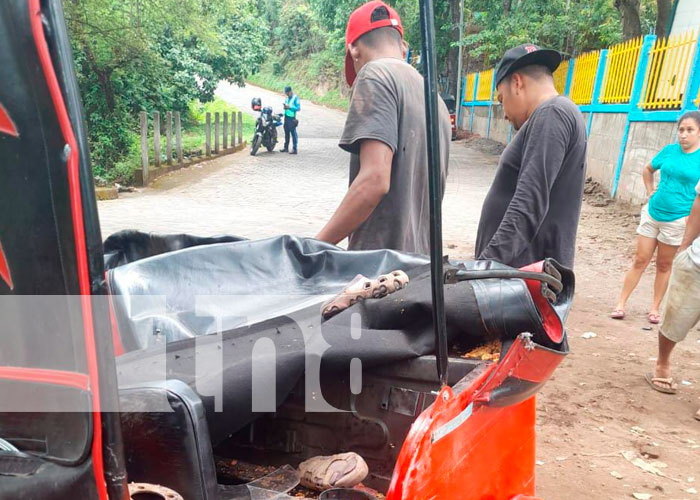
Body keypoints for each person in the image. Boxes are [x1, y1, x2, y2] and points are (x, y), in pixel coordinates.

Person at [315, 0, 451, 254]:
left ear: (354, 50)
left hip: (380, 270)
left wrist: (314, 246)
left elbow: (375, 180)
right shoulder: (435, 98)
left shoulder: (374, 76)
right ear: (403, 47)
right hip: (421, 266)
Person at [474, 44, 587, 269]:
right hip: (519, 275)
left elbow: (529, 203)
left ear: (517, 83)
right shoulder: (555, 113)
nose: (504, 113)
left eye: (501, 99)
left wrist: (485, 266)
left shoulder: (551, 114)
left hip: (522, 280)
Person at [611, 111, 700, 323]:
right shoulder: (669, 151)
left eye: (690, 130)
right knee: (640, 260)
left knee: (663, 265)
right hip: (653, 214)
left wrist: (690, 220)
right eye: (681, 130)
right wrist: (649, 191)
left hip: (678, 220)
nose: (683, 135)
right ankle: (621, 303)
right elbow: (648, 169)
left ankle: (654, 308)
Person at [644, 178, 700, 422]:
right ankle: (662, 363)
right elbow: (699, 203)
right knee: (675, 319)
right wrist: (686, 246)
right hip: (697, 264)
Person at [281, 85, 300, 154]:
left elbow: (298, 108)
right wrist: (285, 107)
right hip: (286, 117)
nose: (286, 94)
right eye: (285, 93)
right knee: (286, 133)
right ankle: (286, 147)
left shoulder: (295, 98)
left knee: (293, 133)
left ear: (290, 91)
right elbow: (287, 105)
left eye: (287, 93)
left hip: (292, 118)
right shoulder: (287, 98)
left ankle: (294, 149)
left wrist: (289, 107)